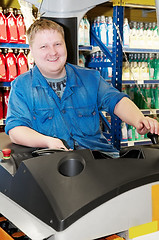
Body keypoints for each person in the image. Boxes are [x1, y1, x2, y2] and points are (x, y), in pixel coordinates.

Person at [5, 18, 159, 158]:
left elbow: (116, 101)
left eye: (57, 44)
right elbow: (16, 129)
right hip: (52, 163)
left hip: (97, 158)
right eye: (43, 46)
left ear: (65, 44)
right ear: (31, 50)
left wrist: (139, 119)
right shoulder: (22, 86)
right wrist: (48, 142)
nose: (53, 52)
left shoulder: (90, 78)